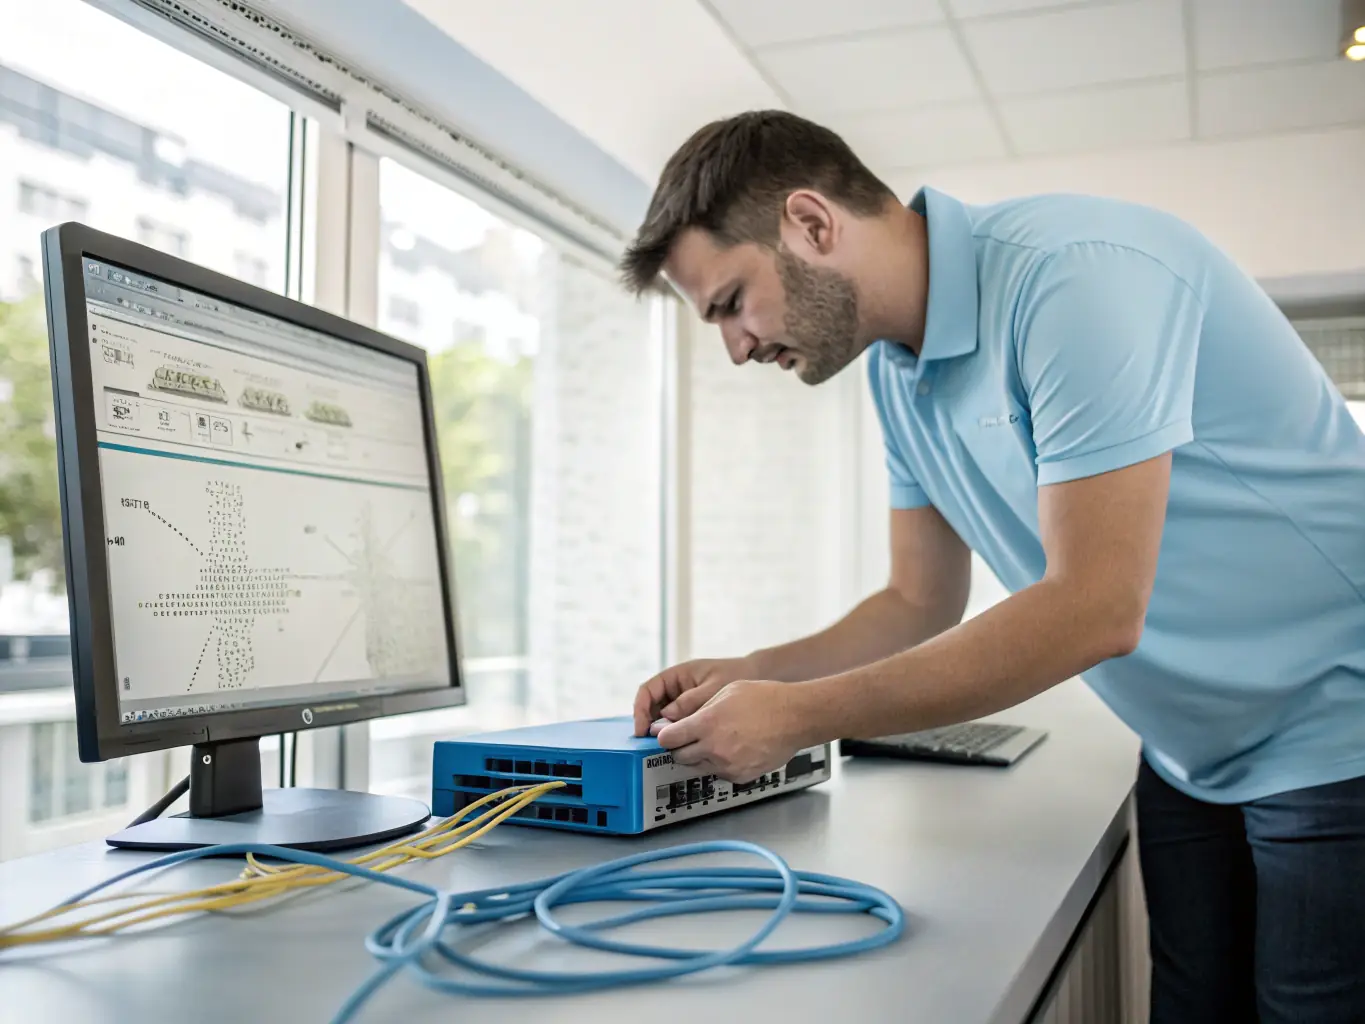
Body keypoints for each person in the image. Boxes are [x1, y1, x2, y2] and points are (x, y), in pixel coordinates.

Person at [616, 109, 1365, 1023]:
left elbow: (1093, 607)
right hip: (1192, 751)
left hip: (1337, 723)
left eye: (731, 302)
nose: (735, 348)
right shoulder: (896, 374)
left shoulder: (1074, 275)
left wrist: (800, 716)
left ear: (810, 223)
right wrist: (754, 674)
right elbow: (917, 598)